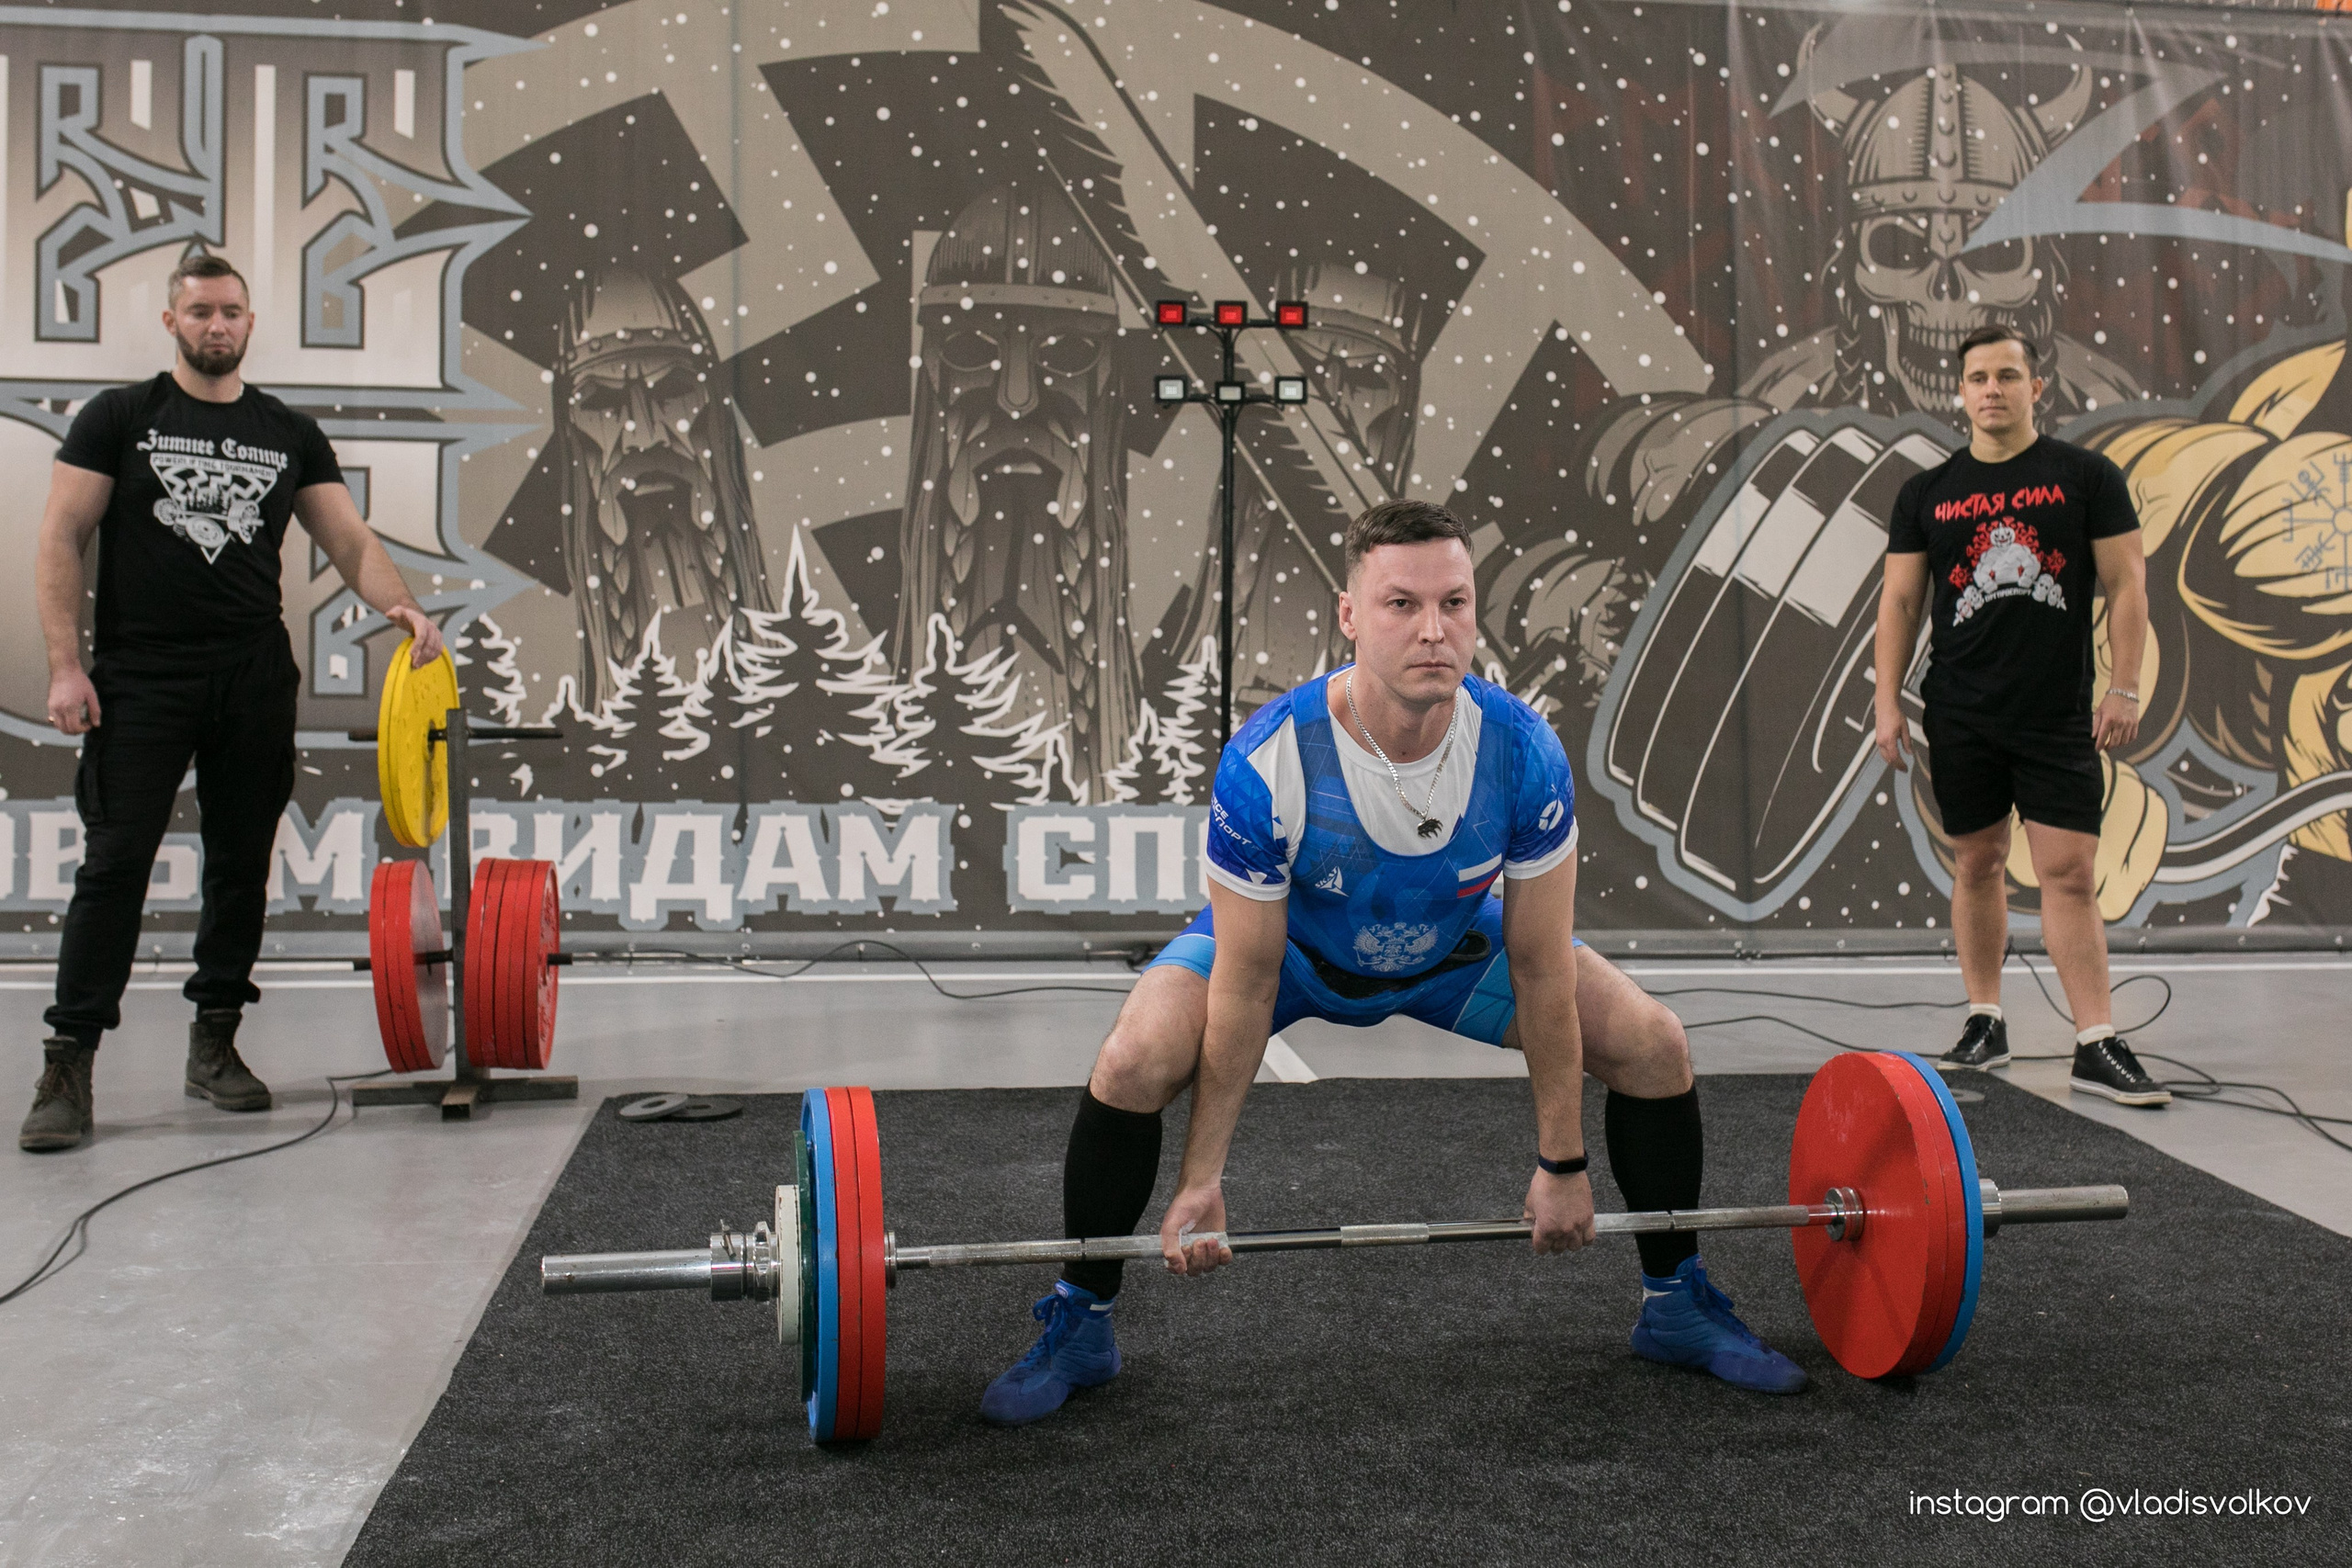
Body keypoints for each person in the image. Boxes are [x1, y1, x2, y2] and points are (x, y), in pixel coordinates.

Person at [979, 500, 1807, 1427]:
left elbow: (1541, 967)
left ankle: (1675, 1304)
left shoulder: (1521, 751)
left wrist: (1562, 1160)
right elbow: (1247, 980)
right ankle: (1082, 1319)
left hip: (1451, 949)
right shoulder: (1272, 759)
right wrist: (1201, 1178)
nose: (1433, 630)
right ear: (1349, 614)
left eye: (1454, 602)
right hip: (1294, 952)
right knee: (1133, 1057)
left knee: (1653, 1042)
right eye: (1401, 604)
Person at [20, 253, 446, 1153]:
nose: (217, 325)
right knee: (114, 865)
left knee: (240, 865)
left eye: (231, 312)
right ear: (172, 322)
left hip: (252, 675)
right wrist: (65, 666)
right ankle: (69, 1062)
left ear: (250, 323)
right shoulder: (119, 418)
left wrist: (401, 606)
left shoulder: (286, 431)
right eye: (201, 311)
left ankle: (214, 1041)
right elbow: (61, 536)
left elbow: (348, 538)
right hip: (142, 676)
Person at [1873, 324, 2167, 1106]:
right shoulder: (1925, 493)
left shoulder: (2086, 476)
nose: (1992, 389)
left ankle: (2095, 1039)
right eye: (1978, 377)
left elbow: (2128, 585)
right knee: (1977, 863)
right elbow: (1900, 601)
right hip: (1961, 714)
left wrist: (2125, 686)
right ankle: (1985, 1019)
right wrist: (1885, 700)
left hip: (2055, 715)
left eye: (2007, 375)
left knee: (2069, 872)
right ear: (1960, 391)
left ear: (2037, 387)